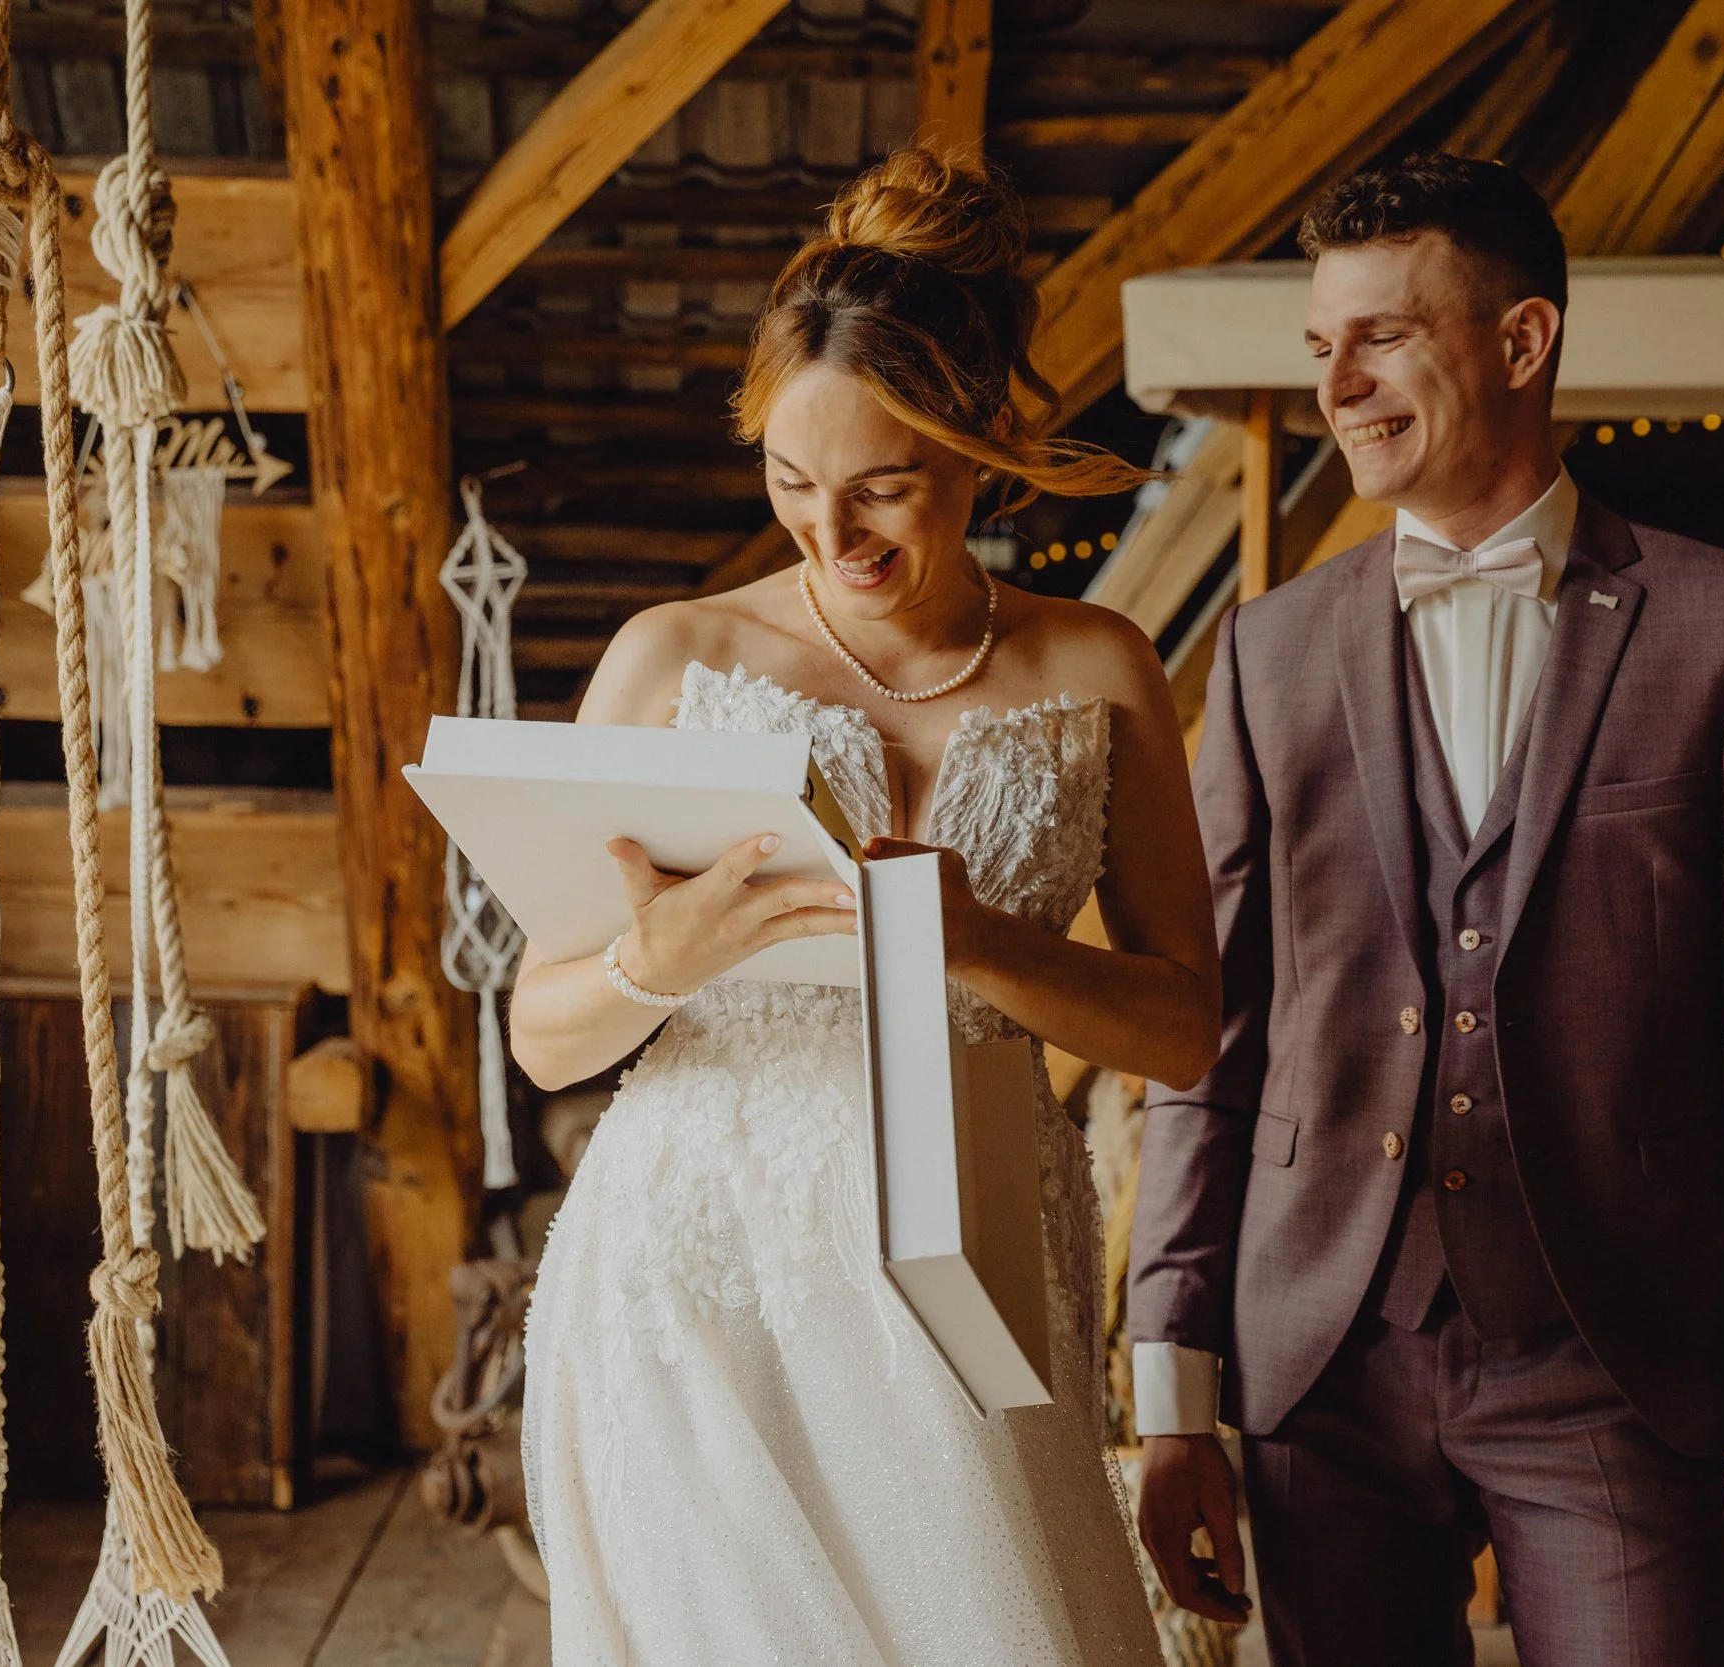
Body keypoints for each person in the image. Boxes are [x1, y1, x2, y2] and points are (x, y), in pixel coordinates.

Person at [1129, 152, 1724, 1667]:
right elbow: (1208, 1031)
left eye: (1382, 336)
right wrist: (1173, 1387)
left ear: (1522, 340)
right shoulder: (1269, 653)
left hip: (1608, 1355)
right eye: (1318, 347)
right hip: (1316, 1365)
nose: (1339, 383)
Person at [509, 147, 1219, 1666]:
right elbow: (542, 1033)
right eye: (790, 486)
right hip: (698, 1271)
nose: (833, 540)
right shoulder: (672, 657)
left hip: (976, 1262)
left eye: (884, 489)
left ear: (979, 445)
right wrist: (655, 956)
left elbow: (1186, 1028)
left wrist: (985, 944)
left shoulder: (1100, 669)